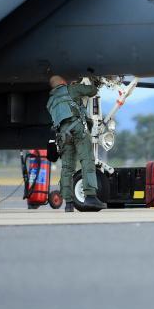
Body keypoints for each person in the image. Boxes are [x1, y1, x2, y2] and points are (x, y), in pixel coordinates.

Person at [46, 76, 106, 212]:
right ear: (63, 82)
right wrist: (85, 85)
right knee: (87, 160)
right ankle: (90, 196)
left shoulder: (50, 101)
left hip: (63, 135)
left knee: (67, 168)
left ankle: (68, 203)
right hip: (78, 129)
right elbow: (92, 91)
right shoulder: (72, 89)